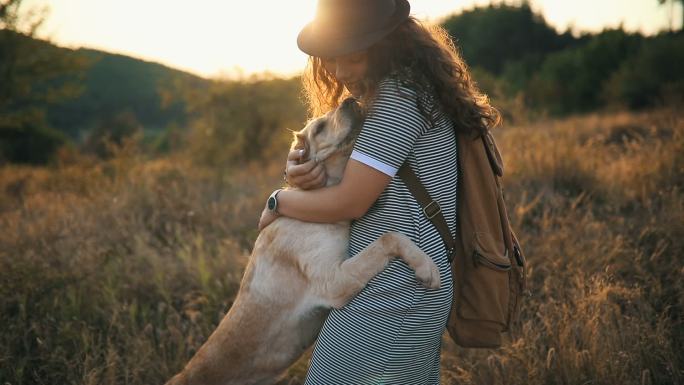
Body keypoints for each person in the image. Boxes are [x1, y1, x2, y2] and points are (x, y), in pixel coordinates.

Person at [258, 0, 500, 383]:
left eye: (351, 57)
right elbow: (344, 158)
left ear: (386, 45)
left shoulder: (398, 100)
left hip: (395, 290)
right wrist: (298, 165)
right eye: (331, 58)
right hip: (407, 283)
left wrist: (279, 201)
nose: (338, 71)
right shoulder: (397, 92)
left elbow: (351, 201)